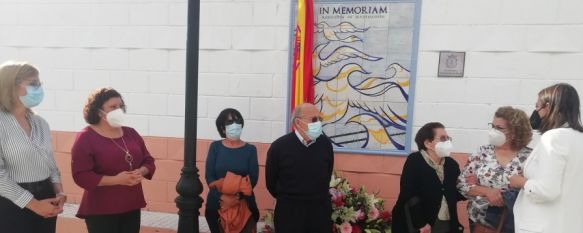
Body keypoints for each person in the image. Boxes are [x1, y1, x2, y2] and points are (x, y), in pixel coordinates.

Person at [71, 87, 156, 233]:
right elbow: (81, 175)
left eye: (121, 106)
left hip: (131, 205)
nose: (119, 110)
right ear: (98, 111)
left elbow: (148, 161)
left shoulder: (131, 133)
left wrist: (140, 172)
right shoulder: (86, 137)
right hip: (101, 209)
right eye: (113, 107)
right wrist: (117, 180)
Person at [0, 61, 65, 233]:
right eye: (33, 84)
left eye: (40, 83)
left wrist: (59, 193)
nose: (39, 88)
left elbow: (50, 164)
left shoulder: (40, 123)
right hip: (11, 201)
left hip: (47, 197)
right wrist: (34, 205)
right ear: (10, 87)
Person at [509, 83, 583, 233]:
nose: (535, 111)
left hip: (544, 225)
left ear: (548, 106)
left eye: (538, 106)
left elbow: (547, 190)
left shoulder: (554, 138)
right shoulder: (578, 138)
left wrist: (522, 182)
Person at [457, 106, 533, 233]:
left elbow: (533, 188)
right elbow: (462, 184)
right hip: (481, 221)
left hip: (515, 221)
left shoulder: (530, 157)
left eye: (499, 128)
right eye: (492, 126)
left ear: (515, 131)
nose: (493, 131)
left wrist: (478, 186)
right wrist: (487, 191)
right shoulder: (482, 152)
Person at [265, 103, 334, 233]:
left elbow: (327, 174)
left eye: (320, 119)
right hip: (289, 214)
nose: (318, 123)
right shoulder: (279, 147)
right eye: (314, 120)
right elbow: (271, 183)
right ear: (297, 122)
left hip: (319, 214)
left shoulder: (326, 144)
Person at [391, 122, 464, 233]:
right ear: (428, 143)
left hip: (445, 222)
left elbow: (456, 193)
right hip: (419, 224)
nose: (447, 142)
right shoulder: (414, 161)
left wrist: (470, 187)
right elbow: (409, 194)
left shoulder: (451, 164)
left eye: (448, 138)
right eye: (443, 138)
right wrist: (421, 223)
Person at [205, 108, 259, 233]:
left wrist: (235, 199)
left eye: (237, 120)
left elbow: (253, 180)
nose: (234, 124)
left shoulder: (250, 150)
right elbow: (209, 177)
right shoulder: (215, 147)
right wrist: (222, 197)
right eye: (229, 122)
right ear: (222, 128)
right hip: (216, 206)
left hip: (244, 207)